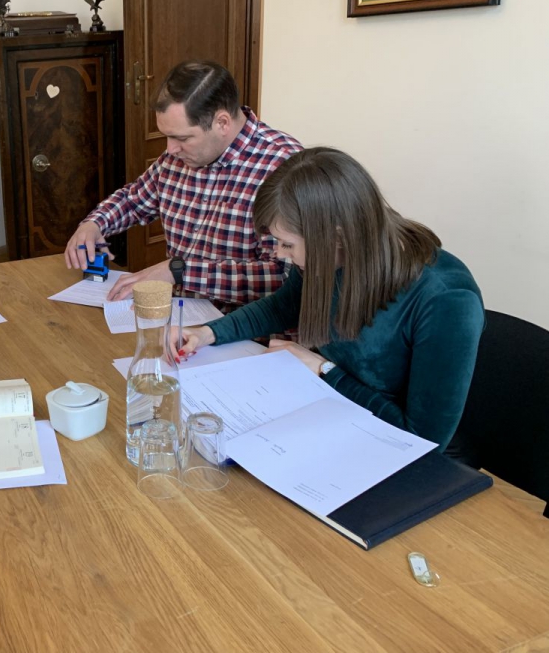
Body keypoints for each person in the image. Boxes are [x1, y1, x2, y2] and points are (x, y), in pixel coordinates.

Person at [175, 147, 485, 450]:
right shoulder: (329, 258)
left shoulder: (446, 299)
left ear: (337, 237)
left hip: (388, 446)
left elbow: (423, 438)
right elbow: (285, 306)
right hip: (327, 410)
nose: (278, 254)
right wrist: (209, 332)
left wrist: (325, 370)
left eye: (287, 244)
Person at [64, 60, 302, 306]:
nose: (170, 149)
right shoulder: (177, 158)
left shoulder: (285, 167)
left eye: (182, 138)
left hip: (242, 325)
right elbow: (132, 201)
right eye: (167, 136)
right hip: (179, 315)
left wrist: (180, 271)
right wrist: (94, 224)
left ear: (222, 123)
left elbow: (283, 277)